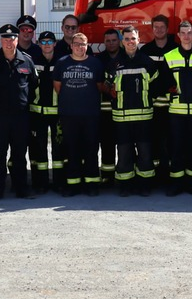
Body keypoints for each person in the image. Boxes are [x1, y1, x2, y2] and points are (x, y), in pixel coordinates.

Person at [0, 23, 38, 200]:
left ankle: (22, 188)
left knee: (19, 154)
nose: (9, 43)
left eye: (12, 39)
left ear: (17, 40)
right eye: (5, 39)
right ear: (1, 41)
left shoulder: (26, 61)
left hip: (20, 116)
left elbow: (33, 85)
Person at [104, 26, 159, 197]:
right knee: (124, 153)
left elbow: (156, 87)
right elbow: (107, 87)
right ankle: (125, 185)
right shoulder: (114, 64)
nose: (130, 42)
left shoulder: (147, 62)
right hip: (121, 117)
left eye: (133, 38)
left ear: (138, 40)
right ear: (122, 41)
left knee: (145, 153)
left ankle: (145, 185)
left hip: (144, 116)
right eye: (127, 39)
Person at [159, 21, 192, 196]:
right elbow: (163, 83)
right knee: (176, 148)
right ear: (178, 36)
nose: (186, 36)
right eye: (183, 33)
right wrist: (171, 94)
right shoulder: (169, 56)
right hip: (176, 112)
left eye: (189, 33)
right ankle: (176, 183)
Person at [54, 32, 105, 195]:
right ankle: (73, 184)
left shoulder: (95, 63)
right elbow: (58, 87)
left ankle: (92, 184)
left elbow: (100, 87)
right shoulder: (61, 63)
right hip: (69, 114)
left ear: (87, 46)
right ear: (71, 46)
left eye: (82, 44)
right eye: (76, 44)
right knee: (72, 149)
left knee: (91, 148)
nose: (79, 47)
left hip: (91, 114)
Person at [141, 14, 178, 187]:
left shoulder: (176, 49)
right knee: (154, 140)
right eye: (156, 27)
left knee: (171, 141)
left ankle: (170, 174)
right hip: (153, 105)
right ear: (152, 29)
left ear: (167, 29)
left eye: (162, 27)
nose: (159, 30)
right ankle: (156, 175)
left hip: (172, 106)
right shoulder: (146, 50)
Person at [29, 30, 62, 193]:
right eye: (43, 42)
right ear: (39, 44)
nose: (47, 45)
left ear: (55, 44)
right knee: (39, 148)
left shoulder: (62, 62)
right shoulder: (32, 62)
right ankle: (40, 183)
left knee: (59, 148)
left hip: (58, 114)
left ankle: (59, 182)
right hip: (38, 113)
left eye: (50, 42)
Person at [94, 28, 122, 183]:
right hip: (105, 110)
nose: (111, 43)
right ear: (104, 42)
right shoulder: (98, 60)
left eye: (114, 40)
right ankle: (107, 176)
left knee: (125, 145)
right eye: (108, 41)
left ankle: (125, 176)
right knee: (107, 143)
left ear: (119, 41)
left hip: (124, 109)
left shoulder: (126, 57)